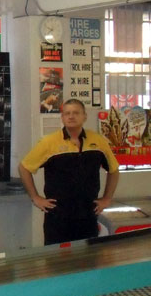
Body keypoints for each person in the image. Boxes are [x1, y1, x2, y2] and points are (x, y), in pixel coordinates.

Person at [19, 99, 119, 245]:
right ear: (62, 117)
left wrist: (107, 198)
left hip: (88, 215)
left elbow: (114, 170)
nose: (71, 116)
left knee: (88, 261)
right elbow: (24, 167)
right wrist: (35, 197)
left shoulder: (98, 141)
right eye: (67, 113)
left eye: (76, 113)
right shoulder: (49, 142)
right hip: (58, 217)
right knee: (56, 262)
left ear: (85, 116)